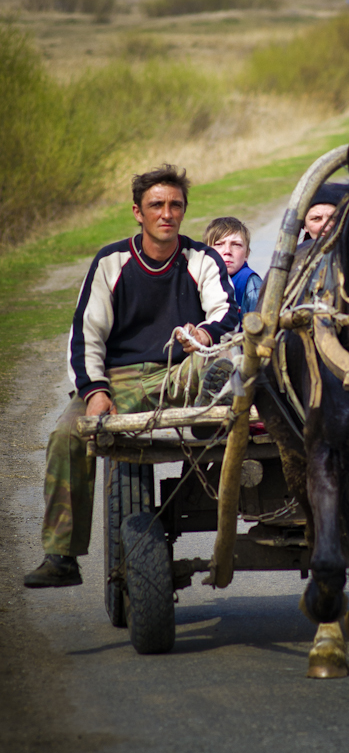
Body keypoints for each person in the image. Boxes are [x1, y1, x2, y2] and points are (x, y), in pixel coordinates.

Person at [24, 164, 238, 589]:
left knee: (216, 360)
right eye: (156, 205)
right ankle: (62, 556)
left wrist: (204, 332)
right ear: (137, 212)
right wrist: (95, 392)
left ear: (184, 211)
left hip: (178, 372)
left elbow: (227, 313)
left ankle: (207, 395)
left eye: (175, 205)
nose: (167, 213)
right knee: (67, 435)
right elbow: (86, 334)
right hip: (119, 379)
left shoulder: (202, 259)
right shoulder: (111, 261)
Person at [203, 216, 262, 318]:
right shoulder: (200, 281)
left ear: (247, 254)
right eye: (219, 244)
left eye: (236, 245)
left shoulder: (251, 284)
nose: (227, 251)